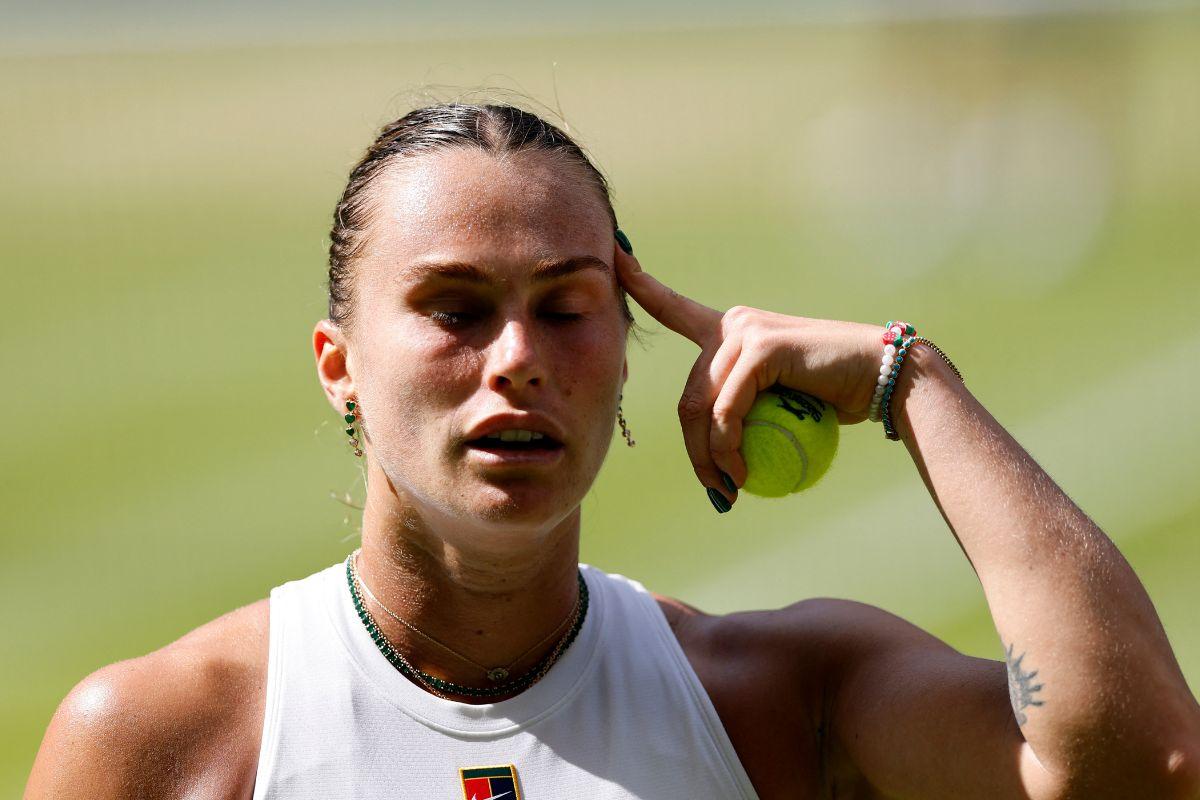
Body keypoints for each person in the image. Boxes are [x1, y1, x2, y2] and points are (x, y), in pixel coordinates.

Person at [24, 102, 1200, 800]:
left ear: (628, 350)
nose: (518, 355)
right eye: (454, 306)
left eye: (567, 303)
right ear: (338, 362)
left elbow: (1140, 764)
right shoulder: (161, 738)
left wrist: (914, 382)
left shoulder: (774, 701)